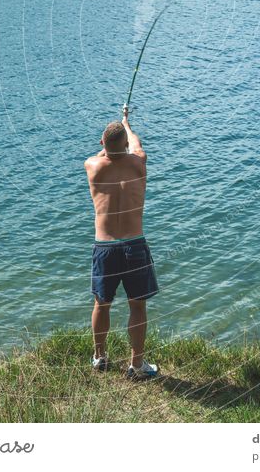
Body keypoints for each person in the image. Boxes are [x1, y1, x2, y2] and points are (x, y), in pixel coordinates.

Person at [84, 105, 159, 379]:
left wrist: (110, 142)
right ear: (126, 145)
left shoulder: (92, 167)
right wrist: (127, 123)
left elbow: (106, 152)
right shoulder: (139, 162)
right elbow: (135, 144)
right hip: (134, 245)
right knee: (137, 306)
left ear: (102, 143)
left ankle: (100, 357)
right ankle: (137, 366)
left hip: (104, 247)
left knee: (101, 303)